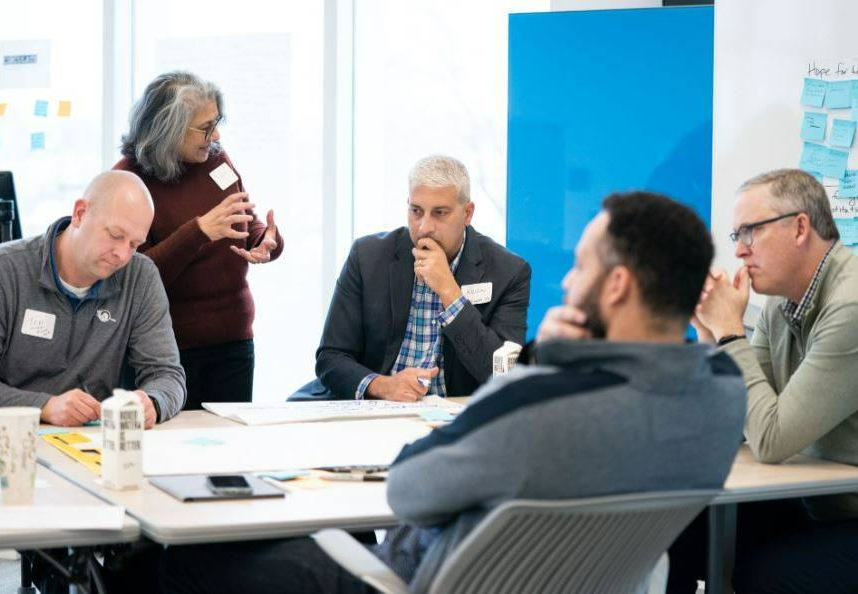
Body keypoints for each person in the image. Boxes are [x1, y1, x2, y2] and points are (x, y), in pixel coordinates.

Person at [159, 191, 746, 594]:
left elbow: (411, 489)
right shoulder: (721, 395)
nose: (568, 280)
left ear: (616, 286)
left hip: (409, 583)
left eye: (581, 267)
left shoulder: (543, 403)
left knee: (166, 567)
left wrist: (548, 366)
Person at [668, 168, 858, 594]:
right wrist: (708, 336)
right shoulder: (780, 304)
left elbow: (770, 437)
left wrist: (731, 332)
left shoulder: (851, 306)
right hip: (812, 502)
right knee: (675, 527)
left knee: (766, 574)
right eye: (737, 235)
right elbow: (733, 422)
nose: (738, 251)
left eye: (749, 232)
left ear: (800, 228)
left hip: (848, 513)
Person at [114, 71, 284, 409]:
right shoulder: (127, 180)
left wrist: (265, 241)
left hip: (233, 338)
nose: (216, 135)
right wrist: (198, 232)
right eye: (205, 128)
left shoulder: (216, 159)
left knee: (228, 449)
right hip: (164, 353)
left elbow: (244, 224)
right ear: (169, 127)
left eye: (216, 122)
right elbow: (132, 276)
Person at [0, 169, 185, 426]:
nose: (123, 255)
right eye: (115, 236)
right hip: (13, 439)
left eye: (134, 244)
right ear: (80, 214)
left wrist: (153, 402)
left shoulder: (140, 277)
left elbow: (167, 375)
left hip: (94, 445)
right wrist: (45, 407)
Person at [310, 154, 531, 401]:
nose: (424, 227)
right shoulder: (368, 257)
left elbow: (502, 376)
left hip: (454, 415)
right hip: (378, 406)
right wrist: (384, 386)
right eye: (416, 211)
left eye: (440, 213)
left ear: (467, 213)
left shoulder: (509, 272)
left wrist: (450, 292)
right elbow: (331, 357)